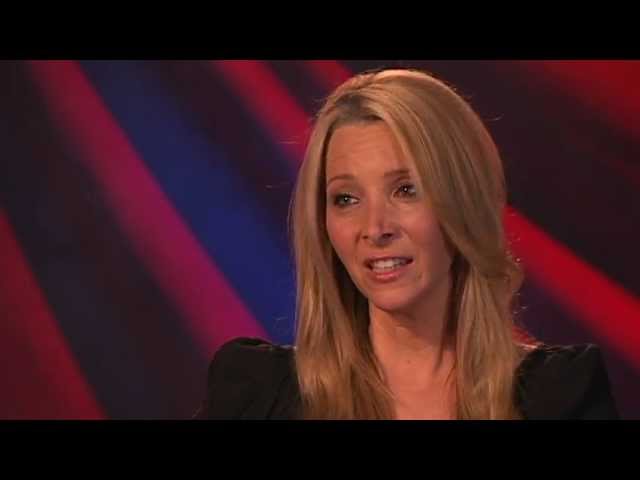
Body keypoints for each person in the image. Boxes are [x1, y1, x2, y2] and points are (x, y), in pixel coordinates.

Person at [195, 68, 619, 420]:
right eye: (346, 199)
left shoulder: (559, 397)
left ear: (464, 203)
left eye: (406, 190)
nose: (375, 227)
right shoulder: (257, 395)